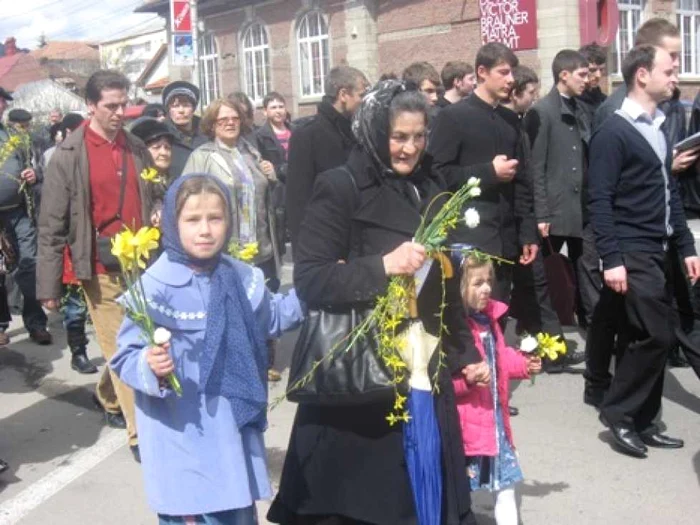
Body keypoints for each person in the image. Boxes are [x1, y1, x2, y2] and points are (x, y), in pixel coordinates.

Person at [268, 80, 489, 525]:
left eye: (418, 136)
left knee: (423, 493)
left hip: (425, 363)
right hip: (364, 371)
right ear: (373, 132)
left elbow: (440, 281)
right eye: (398, 137)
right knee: (368, 501)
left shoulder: (431, 186)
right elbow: (311, 279)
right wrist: (382, 266)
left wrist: (465, 352)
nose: (410, 148)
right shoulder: (341, 186)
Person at [111, 173, 303, 524]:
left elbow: (272, 317)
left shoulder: (240, 277)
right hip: (180, 432)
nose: (205, 230)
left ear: (229, 222)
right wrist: (148, 364)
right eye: (192, 220)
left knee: (235, 511)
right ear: (172, 221)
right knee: (192, 512)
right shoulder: (154, 287)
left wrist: (320, 287)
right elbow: (124, 356)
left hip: (230, 429)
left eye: (215, 218)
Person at [588, 45, 700, 457]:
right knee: (656, 334)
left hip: (660, 246)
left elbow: (668, 189)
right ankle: (619, 414)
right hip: (631, 248)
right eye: (669, 70)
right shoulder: (613, 132)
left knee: (647, 334)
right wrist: (612, 259)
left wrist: (685, 245)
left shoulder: (658, 123)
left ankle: (645, 420)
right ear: (641, 75)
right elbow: (599, 199)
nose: (676, 77)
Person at [38, 69, 155, 460]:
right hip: (100, 264)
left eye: (124, 104)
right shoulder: (69, 154)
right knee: (123, 343)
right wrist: (48, 287)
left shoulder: (136, 146)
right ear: (90, 105)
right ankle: (141, 433)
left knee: (130, 340)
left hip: (141, 262)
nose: (120, 112)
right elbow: (51, 224)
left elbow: (150, 195)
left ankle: (107, 395)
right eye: (111, 106)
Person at [183, 98, 284, 381]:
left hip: (261, 243)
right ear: (212, 125)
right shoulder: (202, 156)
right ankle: (234, 365)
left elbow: (264, 189)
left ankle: (264, 360)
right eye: (222, 119)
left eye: (234, 118)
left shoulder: (250, 151)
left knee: (263, 299)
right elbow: (187, 199)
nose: (229, 123)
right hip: (226, 247)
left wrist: (272, 175)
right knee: (230, 305)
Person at [430, 42, 538, 304]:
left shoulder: (511, 120)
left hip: (506, 239)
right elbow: (437, 175)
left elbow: (523, 182)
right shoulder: (453, 117)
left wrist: (527, 233)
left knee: (499, 313)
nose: (511, 80)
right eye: (503, 72)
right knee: (471, 320)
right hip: (469, 238)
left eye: (512, 72)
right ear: (481, 72)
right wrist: (488, 172)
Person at [453, 256, 541, 525]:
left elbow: (500, 358)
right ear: (459, 289)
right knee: (461, 492)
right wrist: (467, 382)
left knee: (506, 487)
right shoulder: (457, 332)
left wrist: (525, 365)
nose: (487, 288)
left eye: (489, 281)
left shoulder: (490, 320)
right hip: (467, 429)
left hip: (494, 424)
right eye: (477, 283)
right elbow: (447, 384)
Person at [525, 50, 591, 326]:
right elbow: (536, 167)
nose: (587, 80)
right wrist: (542, 214)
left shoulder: (581, 107)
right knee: (554, 273)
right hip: (556, 208)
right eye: (582, 74)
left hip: (581, 208)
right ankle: (553, 326)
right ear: (564, 75)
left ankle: (588, 321)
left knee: (585, 268)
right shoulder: (542, 111)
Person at [285, 65, 368, 252]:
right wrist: (306, 255)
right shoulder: (307, 136)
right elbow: (298, 203)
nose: (364, 102)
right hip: (323, 243)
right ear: (343, 94)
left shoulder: (357, 132)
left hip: (354, 241)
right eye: (361, 95)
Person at [0, 88, 50, 347]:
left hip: (18, 211)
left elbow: (35, 163)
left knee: (30, 264)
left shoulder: (15, 136)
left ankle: (36, 323)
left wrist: (34, 173)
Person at [162, 81, 208, 177]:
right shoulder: (162, 134)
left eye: (186, 105)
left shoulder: (207, 132)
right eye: (175, 106)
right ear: (168, 109)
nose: (181, 111)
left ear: (193, 108)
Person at [577, 43, 608, 123]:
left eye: (601, 70)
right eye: (592, 70)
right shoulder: (572, 103)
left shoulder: (605, 101)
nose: (598, 75)